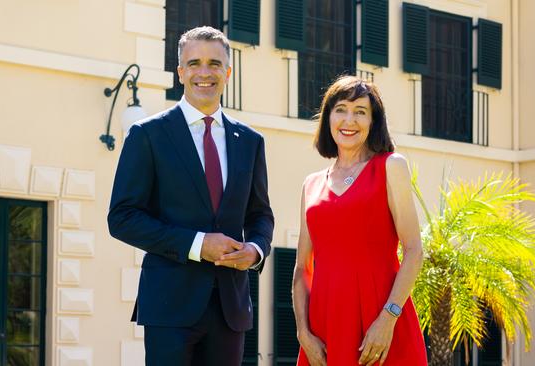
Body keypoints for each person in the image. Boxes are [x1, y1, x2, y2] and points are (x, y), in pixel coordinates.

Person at [107, 26, 274, 366]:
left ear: (228, 72)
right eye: (194, 62)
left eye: (214, 63)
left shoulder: (251, 141)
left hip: (230, 307)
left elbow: (260, 215)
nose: (204, 72)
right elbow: (122, 218)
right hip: (169, 305)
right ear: (181, 71)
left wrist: (255, 250)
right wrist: (197, 244)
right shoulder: (148, 134)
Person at [292, 76, 427, 366]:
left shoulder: (392, 166)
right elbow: (302, 269)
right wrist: (304, 333)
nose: (349, 120)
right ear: (328, 117)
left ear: (373, 121)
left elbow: (414, 250)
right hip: (325, 332)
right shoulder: (311, 185)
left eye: (360, 112)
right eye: (340, 109)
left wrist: (388, 319)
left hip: (381, 329)